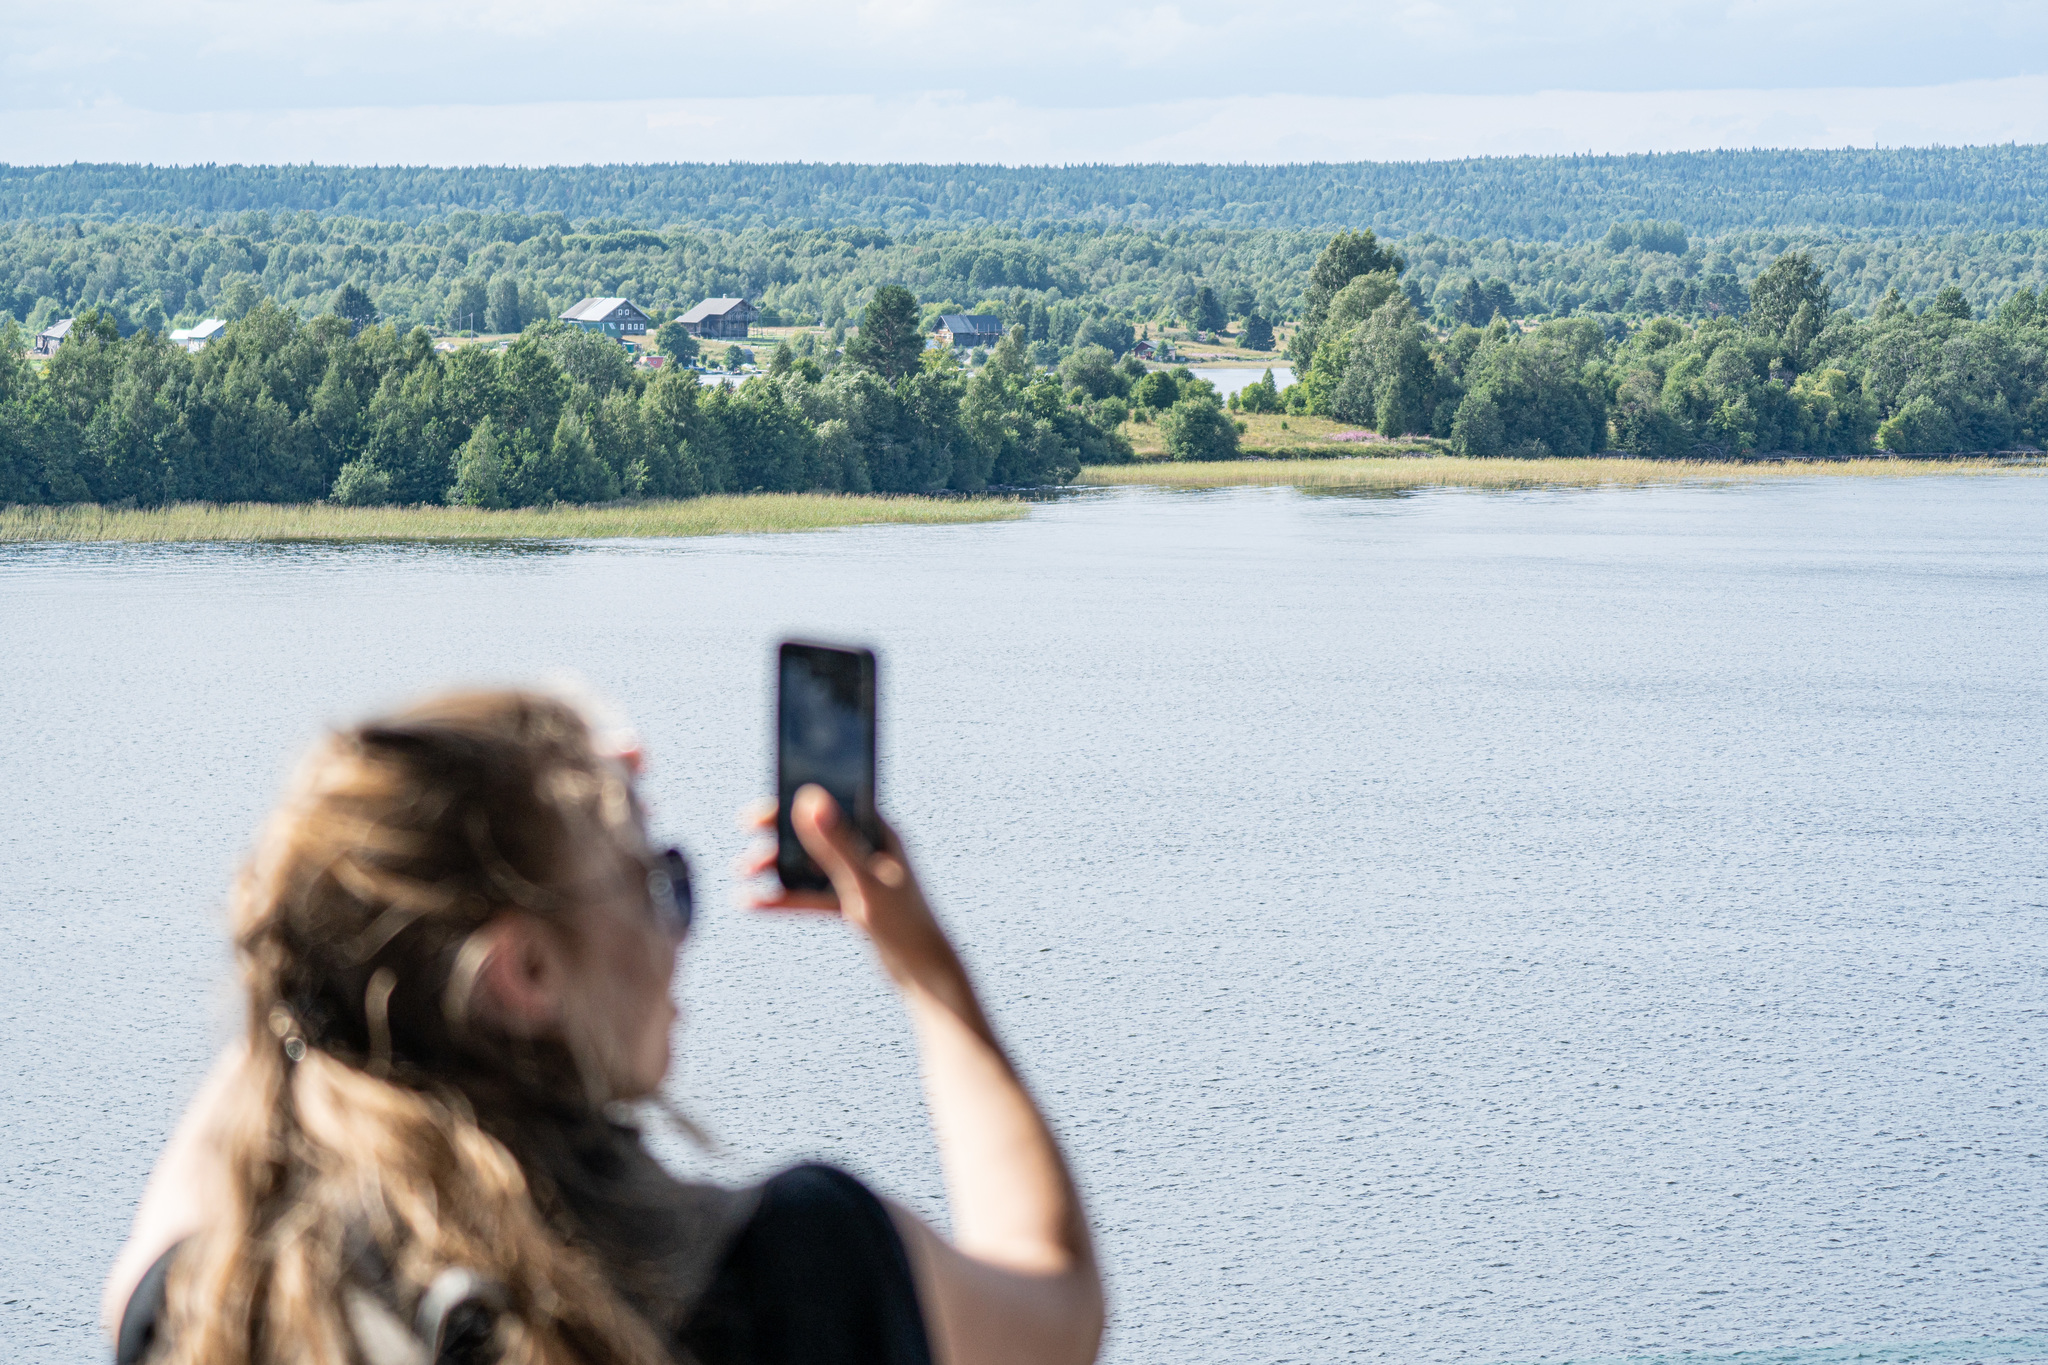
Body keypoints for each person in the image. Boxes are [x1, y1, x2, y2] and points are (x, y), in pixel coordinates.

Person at [103, 689, 1103, 1365]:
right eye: (656, 885)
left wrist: (360, 893)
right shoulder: (795, 1271)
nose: (678, 933)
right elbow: (1056, 1301)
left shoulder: (223, 1308)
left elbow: (284, 1006)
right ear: (528, 970)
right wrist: (922, 966)